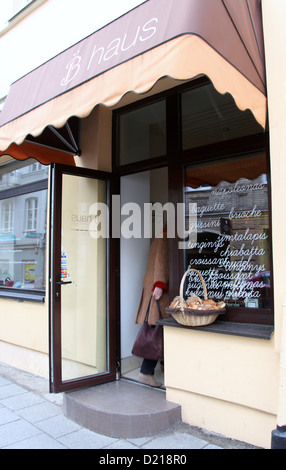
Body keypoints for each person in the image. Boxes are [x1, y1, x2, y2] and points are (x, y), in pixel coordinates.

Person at [135, 230, 169, 387]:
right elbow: (161, 260)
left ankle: (164, 365)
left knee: (162, 330)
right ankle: (146, 372)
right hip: (159, 292)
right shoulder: (165, 235)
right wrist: (160, 284)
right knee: (157, 331)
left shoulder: (163, 235)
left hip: (156, 289)